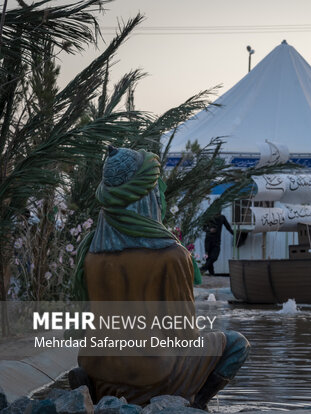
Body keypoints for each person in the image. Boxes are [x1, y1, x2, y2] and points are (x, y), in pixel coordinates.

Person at [70, 146, 249, 408]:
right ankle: (194, 405)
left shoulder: (92, 251)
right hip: (156, 376)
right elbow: (185, 334)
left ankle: (94, 391)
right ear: (147, 196)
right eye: (156, 189)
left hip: (101, 371)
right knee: (236, 345)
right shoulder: (171, 255)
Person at [201, 208, 234, 276]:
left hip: (217, 241)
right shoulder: (209, 217)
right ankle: (212, 274)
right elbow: (203, 228)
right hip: (208, 241)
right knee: (209, 258)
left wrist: (235, 234)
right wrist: (210, 230)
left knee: (214, 257)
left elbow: (228, 227)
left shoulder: (222, 218)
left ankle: (202, 269)